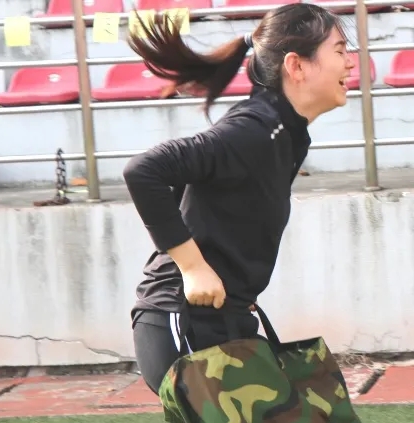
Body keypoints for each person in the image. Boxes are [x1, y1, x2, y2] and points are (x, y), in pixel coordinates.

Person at [123, 3, 355, 396]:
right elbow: (145, 170)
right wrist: (193, 267)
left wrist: (233, 281)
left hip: (225, 318)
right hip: (182, 322)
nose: (350, 63)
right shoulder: (253, 130)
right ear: (297, 66)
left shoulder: (288, 133)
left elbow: (203, 194)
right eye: (339, 50)